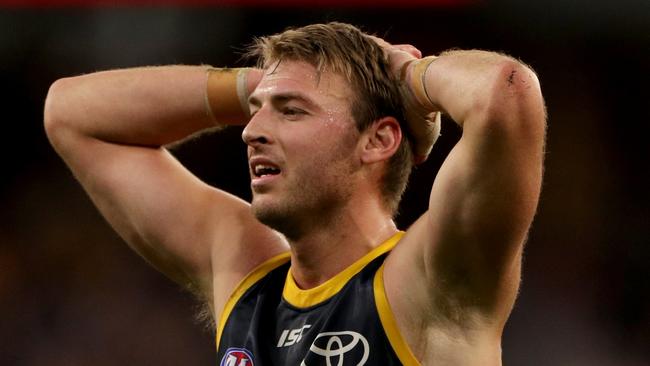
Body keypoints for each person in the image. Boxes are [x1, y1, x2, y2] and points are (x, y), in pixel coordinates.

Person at [44, 22, 546, 365]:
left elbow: (506, 91)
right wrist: (254, 86)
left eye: (291, 110)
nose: (250, 131)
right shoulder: (248, 274)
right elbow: (70, 112)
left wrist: (404, 76)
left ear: (378, 140)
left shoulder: (428, 279)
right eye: (257, 109)